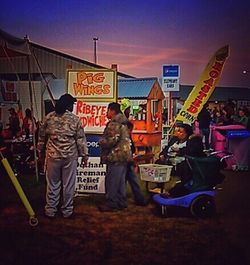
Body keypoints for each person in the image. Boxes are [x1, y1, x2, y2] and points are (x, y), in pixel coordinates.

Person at [37, 93, 88, 219]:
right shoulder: (75, 119)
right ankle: (67, 211)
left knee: (53, 184)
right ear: (69, 105)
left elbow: (42, 137)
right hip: (69, 157)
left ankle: (50, 210)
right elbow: (80, 139)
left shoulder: (48, 118)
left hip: (52, 156)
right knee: (68, 185)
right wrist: (85, 155)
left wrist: (40, 152)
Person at [99, 102, 132, 212]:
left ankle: (111, 203)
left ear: (112, 111)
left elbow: (111, 140)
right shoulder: (124, 122)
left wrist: (101, 142)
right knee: (120, 181)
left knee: (112, 181)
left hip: (115, 155)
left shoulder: (114, 123)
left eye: (107, 110)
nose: (106, 113)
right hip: (124, 155)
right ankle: (121, 202)